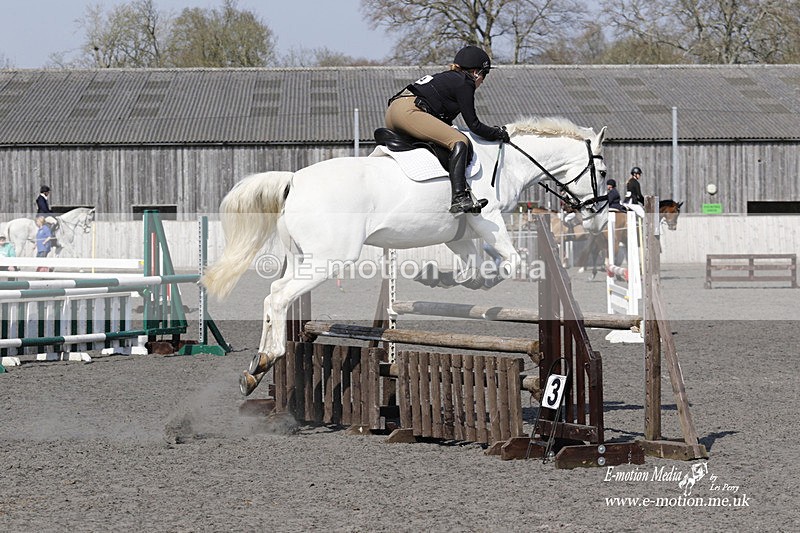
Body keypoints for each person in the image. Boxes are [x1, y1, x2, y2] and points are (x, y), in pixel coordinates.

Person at [385, 45, 509, 214]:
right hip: (409, 111)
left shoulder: (449, 78)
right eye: (484, 74)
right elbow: (474, 125)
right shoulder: (465, 82)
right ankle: (459, 197)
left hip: (394, 111)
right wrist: (498, 133)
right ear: (475, 72)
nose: (483, 80)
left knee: (444, 139)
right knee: (459, 140)